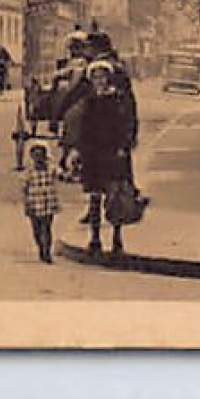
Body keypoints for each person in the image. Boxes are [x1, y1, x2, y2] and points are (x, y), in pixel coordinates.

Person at [58, 58, 140, 260]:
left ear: (109, 78)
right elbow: (83, 128)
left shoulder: (118, 99)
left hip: (113, 152)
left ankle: (117, 239)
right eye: (95, 77)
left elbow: (127, 123)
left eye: (102, 77)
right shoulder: (89, 101)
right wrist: (77, 149)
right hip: (93, 153)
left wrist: (124, 145)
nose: (99, 81)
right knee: (95, 198)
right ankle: (94, 239)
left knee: (115, 198)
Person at [20, 143, 61, 264]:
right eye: (35, 156)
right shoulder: (28, 172)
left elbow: (62, 174)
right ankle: (40, 248)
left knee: (47, 228)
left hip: (48, 203)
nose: (38, 159)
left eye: (40, 156)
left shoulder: (51, 169)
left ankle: (46, 251)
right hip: (34, 203)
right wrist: (26, 204)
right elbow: (24, 189)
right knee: (36, 230)